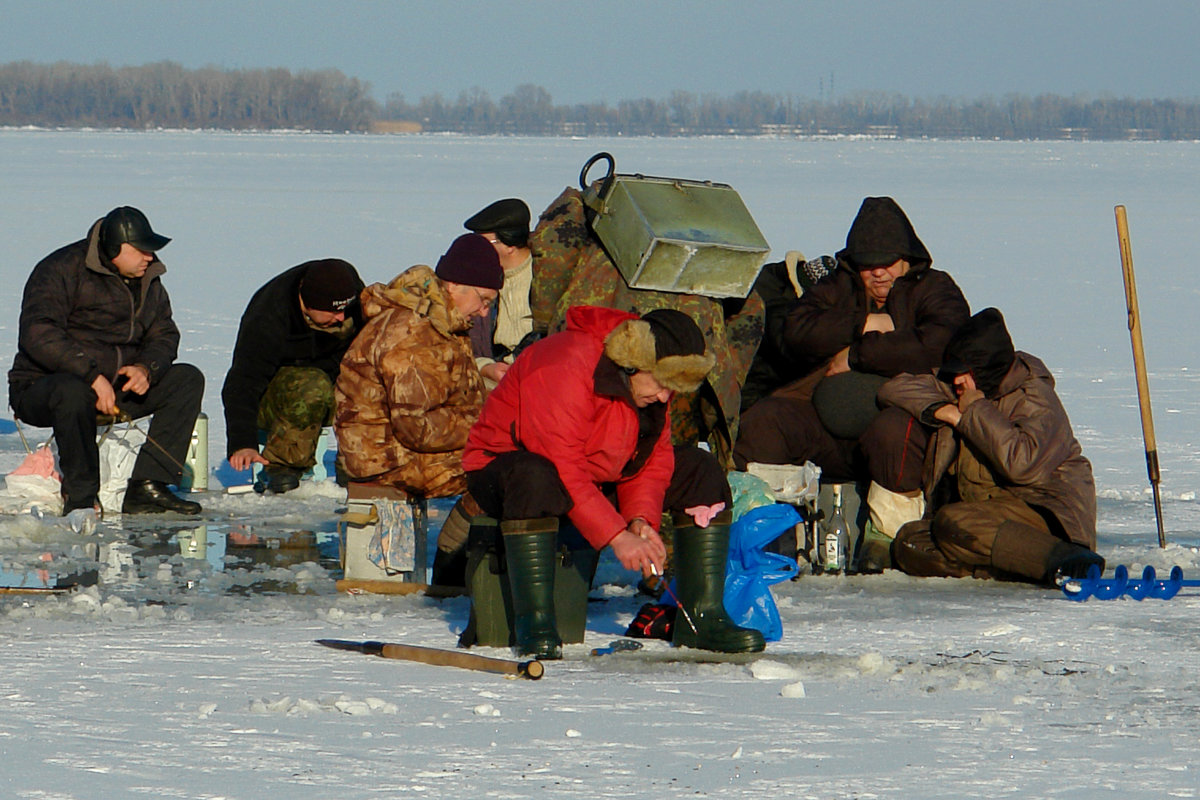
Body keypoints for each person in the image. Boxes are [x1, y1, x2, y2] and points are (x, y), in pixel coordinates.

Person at [461, 305, 765, 659]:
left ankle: (701, 617)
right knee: (536, 475)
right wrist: (616, 536)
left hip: (592, 472)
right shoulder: (566, 362)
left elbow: (649, 462)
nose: (666, 397)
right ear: (633, 362)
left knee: (700, 468)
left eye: (675, 389)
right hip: (507, 469)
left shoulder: (647, 387)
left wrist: (640, 522)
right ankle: (535, 622)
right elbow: (562, 463)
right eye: (664, 385)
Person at [733, 197, 970, 556]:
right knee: (765, 421)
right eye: (867, 264)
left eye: (887, 262)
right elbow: (796, 330)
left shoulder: (934, 289)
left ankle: (889, 538)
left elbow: (940, 341)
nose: (878, 272)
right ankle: (771, 535)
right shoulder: (838, 287)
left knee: (893, 430)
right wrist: (862, 324)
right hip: (826, 430)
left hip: (898, 438)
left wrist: (859, 355)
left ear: (907, 258)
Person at [879, 308, 1105, 585]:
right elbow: (895, 388)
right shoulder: (959, 390)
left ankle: (1067, 561)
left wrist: (975, 410)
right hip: (985, 519)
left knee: (953, 522)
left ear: (985, 370)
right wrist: (947, 412)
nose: (957, 382)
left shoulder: (1035, 399)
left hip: (1044, 515)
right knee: (910, 541)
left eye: (964, 374)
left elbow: (1021, 465)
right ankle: (1017, 569)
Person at [8, 206, 204, 522]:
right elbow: (38, 332)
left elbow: (164, 333)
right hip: (43, 388)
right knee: (72, 391)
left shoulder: (148, 280)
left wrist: (146, 368)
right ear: (114, 248)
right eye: (141, 250)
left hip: (114, 389)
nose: (149, 258)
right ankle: (81, 499)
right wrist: (90, 375)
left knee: (186, 379)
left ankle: (149, 485)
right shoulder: (60, 269)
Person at [333, 234, 502, 497]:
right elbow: (417, 427)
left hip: (398, 452)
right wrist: (489, 422)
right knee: (511, 471)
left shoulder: (441, 324)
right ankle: (463, 539)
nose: (483, 312)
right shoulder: (412, 332)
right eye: (484, 300)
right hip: (388, 462)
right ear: (455, 286)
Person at [222, 258, 365, 493]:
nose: (341, 317)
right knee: (312, 385)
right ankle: (282, 465)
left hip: (331, 386)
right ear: (307, 303)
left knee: (368, 379)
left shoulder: (345, 286)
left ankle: (357, 464)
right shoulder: (269, 315)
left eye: (344, 310)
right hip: (277, 397)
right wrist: (242, 443)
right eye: (332, 311)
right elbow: (243, 381)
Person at [463, 198, 540, 389]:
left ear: (509, 245)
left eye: (485, 243)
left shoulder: (547, 279)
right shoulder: (473, 283)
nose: (477, 251)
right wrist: (484, 367)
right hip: (490, 383)